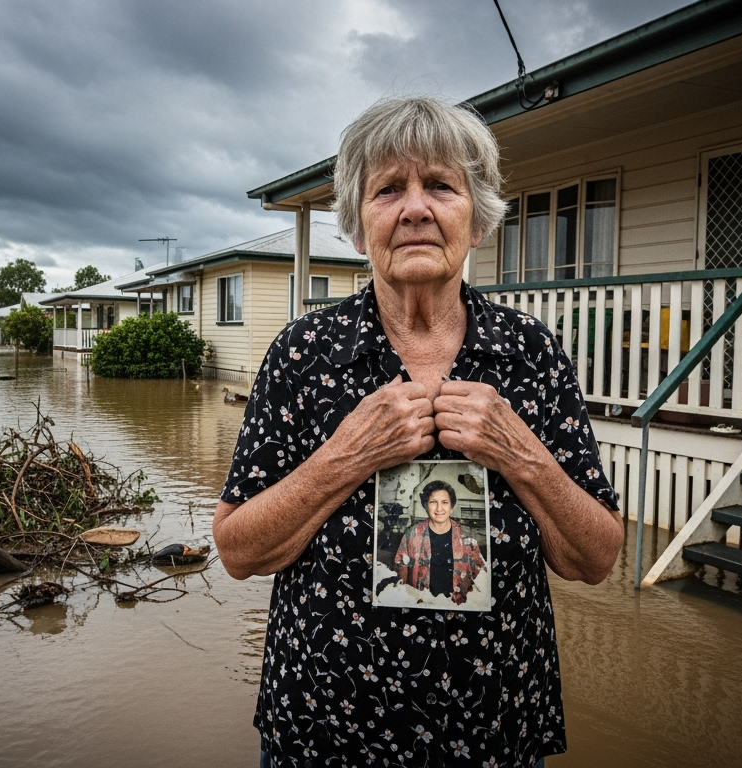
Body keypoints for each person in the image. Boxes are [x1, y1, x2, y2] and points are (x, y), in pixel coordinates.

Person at [213, 95, 623, 766]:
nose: (414, 209)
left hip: (495, 728)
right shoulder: (303, 353)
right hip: (325, 728)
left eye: (439, 185)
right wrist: (345, 457)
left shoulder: (529, 353)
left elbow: (596, 559)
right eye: (387, 190)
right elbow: (237, 551)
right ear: (357, 228)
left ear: (477, 219)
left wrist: (522, 454)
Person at [393, 480, 485, 604]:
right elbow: (400, 575)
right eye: (433, 502)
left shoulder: (468, 540)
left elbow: (482, 582)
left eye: (444, 502)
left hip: (457, 606)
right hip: (421, 604)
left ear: (451, 506)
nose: (439, 508)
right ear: (425, 505)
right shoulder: (412, 535)